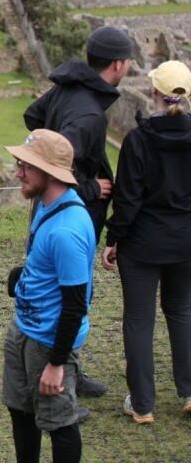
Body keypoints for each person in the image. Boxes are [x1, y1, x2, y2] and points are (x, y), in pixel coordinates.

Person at [23, 25, 129, 400]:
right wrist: (88, 187)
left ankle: (56, 365)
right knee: (71, 295)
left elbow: (32, 116)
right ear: (118, 65)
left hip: (49, 209)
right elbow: (60, 152)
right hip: (72, 212)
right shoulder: (88, 115)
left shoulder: (67, 88)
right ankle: (62, 375)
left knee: (47, 285)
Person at [102, 60, 191, 423]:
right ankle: (189, 392)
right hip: (185, 241)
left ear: (155, 93)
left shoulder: (139, 140)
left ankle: (142, 404)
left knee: (139, 320)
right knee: (183, 312)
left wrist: (114, 238)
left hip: (143, 243)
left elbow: (128, 197)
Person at [3, 129, 96, 463]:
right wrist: (23, 276)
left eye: (26, 166)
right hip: (25, 331)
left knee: (59, 422)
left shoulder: (67, 230)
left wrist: (57, 364)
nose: (18, 172)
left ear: (49, 171)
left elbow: (75, 305)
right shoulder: (46, 206)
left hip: (49, 341)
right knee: (20, 410)